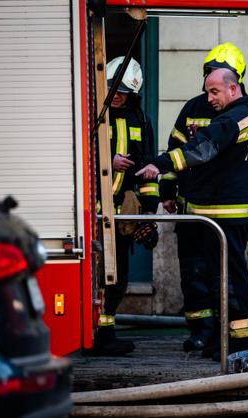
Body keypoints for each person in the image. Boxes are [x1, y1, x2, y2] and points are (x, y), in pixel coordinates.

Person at [137, 52, 248, 360]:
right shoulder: (246, 114)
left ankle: (242, 346)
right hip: (211, 215)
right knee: (216, 281)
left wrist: (159, 164)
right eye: (207, 91)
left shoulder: (235, 118)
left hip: (223, 216)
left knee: (231, 284)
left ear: (233, 87)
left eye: (214, 91)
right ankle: (221, 341)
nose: (208, 98)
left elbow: (204, 147)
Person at [91, 56, 159, 356]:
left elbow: (147, 169)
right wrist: (107, 160)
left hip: (120, 216)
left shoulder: (141, 120)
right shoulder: (92, 114)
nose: (116, 96)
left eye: (123, 92)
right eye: (113, 89)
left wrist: (149, 214)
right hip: (89, 215)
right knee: (93, 276)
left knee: (116, 278)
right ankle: (92, 333)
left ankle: (105, 333)